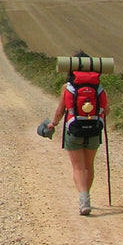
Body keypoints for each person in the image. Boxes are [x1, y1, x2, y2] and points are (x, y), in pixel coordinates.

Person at [46, 71, 108, 216]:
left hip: (74, 131)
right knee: (88, 166)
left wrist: (53, 123)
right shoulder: (99, 87)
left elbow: (60, 111)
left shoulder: (67, 87)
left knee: (78, 168)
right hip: (94, 131)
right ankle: (85, 198)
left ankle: (84, 199)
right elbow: (106, 110)